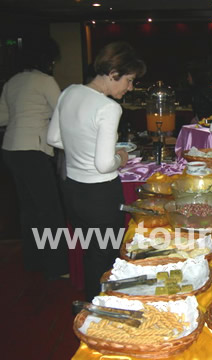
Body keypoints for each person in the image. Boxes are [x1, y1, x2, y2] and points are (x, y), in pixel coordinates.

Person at [47, 41, 146, 301]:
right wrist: (120, 157)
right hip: (100, 195)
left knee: (92, 252)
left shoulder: (69, 92)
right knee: (104, 258)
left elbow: (55, 138)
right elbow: (104, 164)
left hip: (72, 190)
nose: (130, 87)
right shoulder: (109, 107)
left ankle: (92, 307)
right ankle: (98, 312)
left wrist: (82, 149)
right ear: (113, 74)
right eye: (129, 80)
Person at [0, 37, 69, 280]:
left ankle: (33, 260)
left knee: (28, 208)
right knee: (50, 210)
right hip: (33, 150)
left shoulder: (12, 81)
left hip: (10, 149)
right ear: (46, 59)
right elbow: (63, 113)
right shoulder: (45, 81)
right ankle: (59, 267)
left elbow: (2, 118)